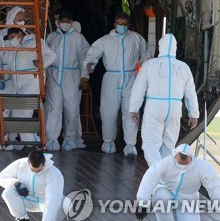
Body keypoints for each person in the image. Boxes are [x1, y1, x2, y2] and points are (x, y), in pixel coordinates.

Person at [82, 12, 152, 156]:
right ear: (114, 24)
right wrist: (89, 66)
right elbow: (92, 54)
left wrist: (146, 74)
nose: (122, 27)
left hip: (131, 77)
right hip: (111, 78)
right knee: (108, 111)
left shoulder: (136, 39)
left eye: (125, 24)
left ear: (129, 25)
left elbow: (146, 55)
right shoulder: (105, 40)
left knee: (131, 110)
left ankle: (130, 144)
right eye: (119, 24)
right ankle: (108, 141)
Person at [129, 34, 200, 166]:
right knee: (169, 144)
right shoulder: (183, 67)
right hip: (174, 108)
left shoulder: (150, 65)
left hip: (154, 107)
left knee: (150, 144)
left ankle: (159, 172)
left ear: (160, 47)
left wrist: (133, 108)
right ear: (174, 48)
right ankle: (166, 173)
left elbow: (139, 89)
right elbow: (190, 93)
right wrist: (193, 114)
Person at [135, 144, 220, 221]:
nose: (182, 164)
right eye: (180, 161)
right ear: (174, 156)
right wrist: (142, 202)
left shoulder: (202, 167)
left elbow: (215, 187)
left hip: (188, 196)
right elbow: (150, 178)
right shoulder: (166, 162)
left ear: (191, 158)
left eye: (185, 162)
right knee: (160, 196)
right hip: (165, 189)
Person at [44, 10, 90, 151]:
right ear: (58, 22)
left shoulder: (78, 38)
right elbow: (45, 57)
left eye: (67, 21)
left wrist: (84, 76)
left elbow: (85, 58)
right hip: (54, 75)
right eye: (62, 21)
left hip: (72, 76)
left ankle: (69, 140)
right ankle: (51, 139)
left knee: (71, 109)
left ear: (71, 22)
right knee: (53, 109)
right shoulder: (51, 37)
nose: (65, 24)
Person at [4, 28, 57, 145]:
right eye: (9, 39)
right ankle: (29, 143)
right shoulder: (14, 47)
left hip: (31, 82)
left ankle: (32, 144)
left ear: (19, 34)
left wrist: (41, 64)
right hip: (18, 84)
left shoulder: (35, 41)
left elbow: (52, 56)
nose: (11, 40)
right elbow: (11, 65)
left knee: (24, 112)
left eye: (12, 37)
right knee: (18, 114)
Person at [0, 150, 71, 221]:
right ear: (28, 163)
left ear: (44, 164)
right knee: (8, 192)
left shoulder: (54, 173)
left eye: (39, 171)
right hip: (27, 199)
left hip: (45, 202)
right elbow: (2, 177)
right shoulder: (20, 164)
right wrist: (16, 183)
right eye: (32, 170)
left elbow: (52, 199)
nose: (35, 173)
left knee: (64, 203)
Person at [0, 6, 26, 150]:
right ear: (11, 18)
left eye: (24, 19)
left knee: (16, 109)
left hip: (19, 78)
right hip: (4, 76)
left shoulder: (25, 35)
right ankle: (2, 141)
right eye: (19, 19)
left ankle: (13, 139)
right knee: (1, 110)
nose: (22, 22)